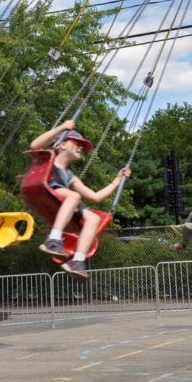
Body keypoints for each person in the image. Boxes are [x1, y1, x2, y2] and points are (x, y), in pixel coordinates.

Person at [32, 119, 130, 281]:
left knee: (93, 218)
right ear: (62, 144)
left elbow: (95, 197)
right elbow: (35, 145)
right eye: (76, 143)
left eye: (82, 147)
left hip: (61, 203)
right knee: (74, 196)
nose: (80, 148)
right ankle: (53, 239)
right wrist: (62, 127)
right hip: (46, 192)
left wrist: (117, 181)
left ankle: (77, 261)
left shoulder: (70, 177)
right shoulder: (48, 159)